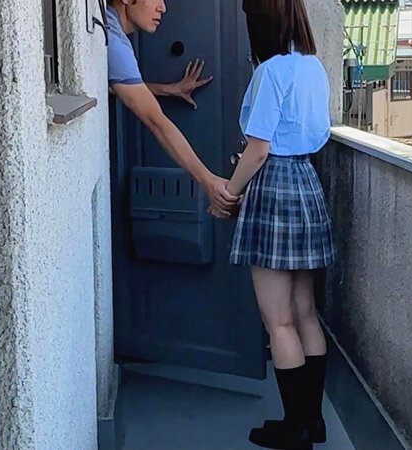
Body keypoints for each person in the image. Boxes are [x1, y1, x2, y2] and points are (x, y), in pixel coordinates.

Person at [218, 1, 337, 448]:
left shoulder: (270, 71)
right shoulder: (313, 67)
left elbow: (258, 149)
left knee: (279, 321)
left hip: (273, 187)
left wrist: (228, 193)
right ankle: (313, 422)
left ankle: (295, 428)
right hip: (307, 181)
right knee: (305, 312)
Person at [106, 0, 239, 215]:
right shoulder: (113, 42)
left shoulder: (108, 28)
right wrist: (208, 181)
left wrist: (169, 90)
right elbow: (156, 121)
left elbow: (121, 85)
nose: (163, 8)